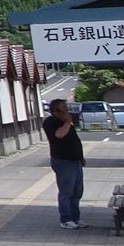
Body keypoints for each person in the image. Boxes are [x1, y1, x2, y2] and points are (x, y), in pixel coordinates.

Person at [43, 97, 85, 229]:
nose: (67, 112)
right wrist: (67, 123)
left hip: (75, 160)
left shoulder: (66, 122)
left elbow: (74, 140)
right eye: (64, 109)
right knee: (66, 191)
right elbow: (59, 135)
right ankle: (66, 219)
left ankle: (75, 217)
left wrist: (81, 157)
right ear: (56, 111)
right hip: (63, 161)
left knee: (77, 191)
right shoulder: (50, 122)